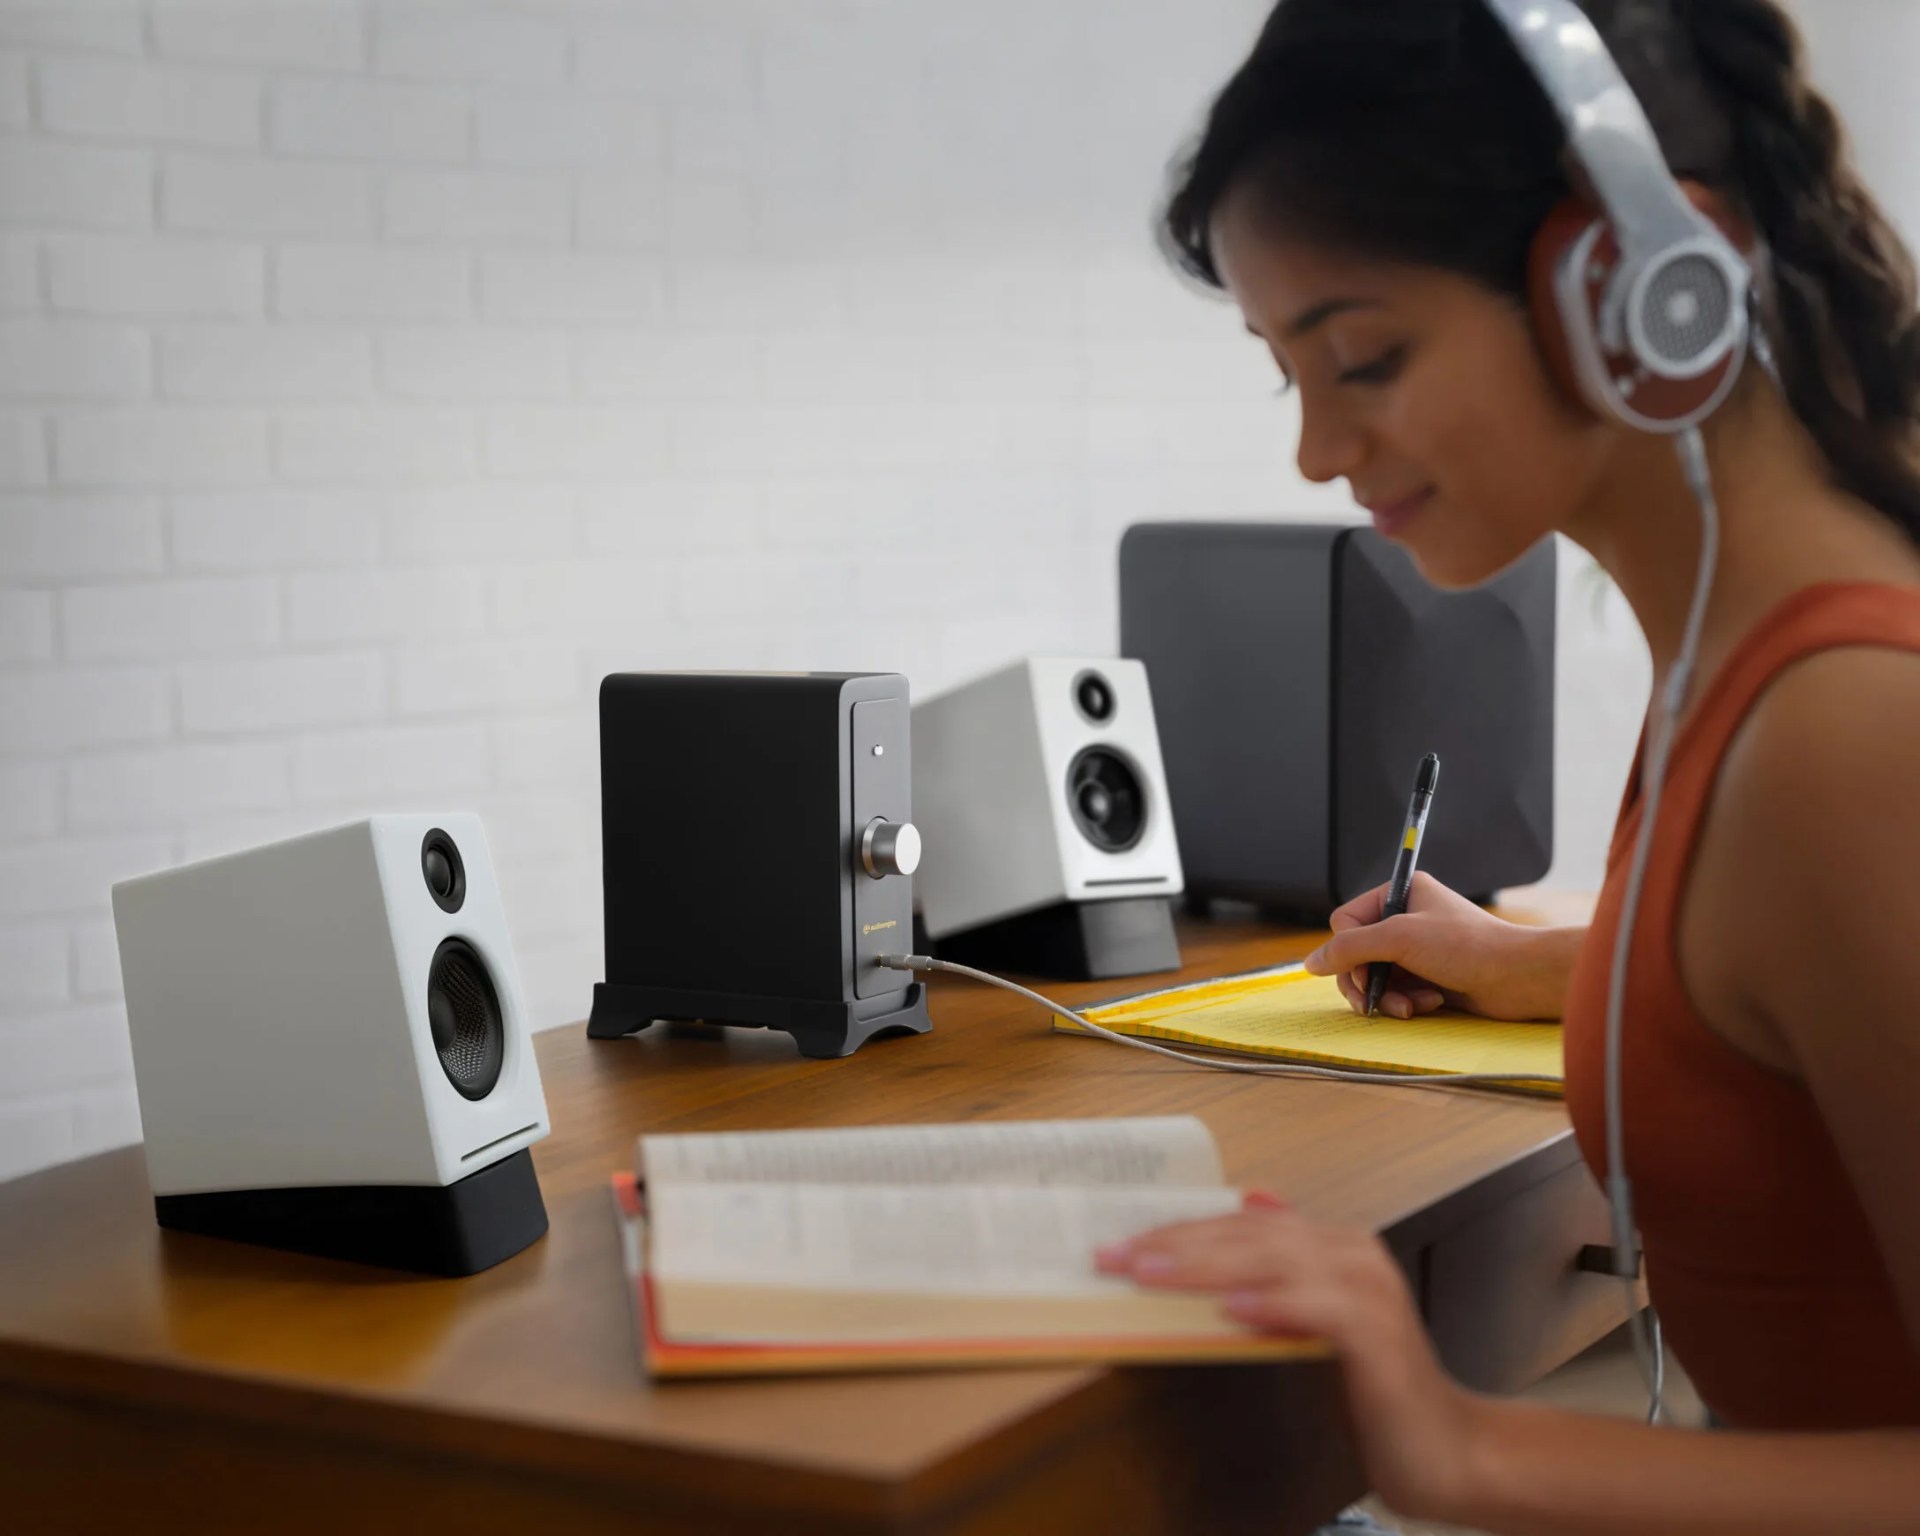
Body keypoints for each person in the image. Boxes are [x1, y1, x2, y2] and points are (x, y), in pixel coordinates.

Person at [1093, 1, 1920, 1530]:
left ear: (1637, 294)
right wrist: (1523, 965)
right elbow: (1797, 998)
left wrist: (1456, 1444)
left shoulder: (1847, 734)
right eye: (1292, 376)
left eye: (1367, 356)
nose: (1317, 452)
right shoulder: (1745, 667)